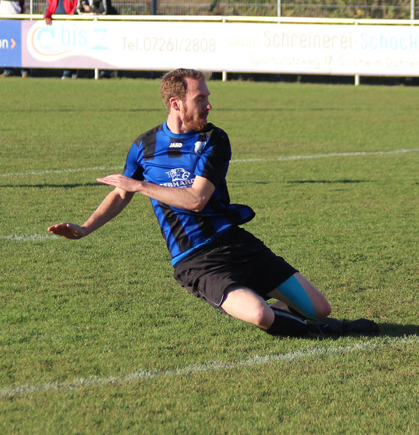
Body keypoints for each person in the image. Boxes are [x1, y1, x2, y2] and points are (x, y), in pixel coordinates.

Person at [48, 68, 379, 339]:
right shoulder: (144, 146)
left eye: (207, 97)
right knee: (261, 314)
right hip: (195, 261)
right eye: (200, 98)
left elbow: (196, 199)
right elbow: (121, 193)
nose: (208, 105)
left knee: (319, 307)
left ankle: (315, 322)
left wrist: (141, 185)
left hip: (234, 242)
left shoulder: (214, 139)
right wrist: (85, 228)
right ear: (176, 104)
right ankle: (322, 334)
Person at [44, 0, 80, 79]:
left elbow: (75, 7)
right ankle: (67, 70)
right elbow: (49, 4)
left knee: (68, 48)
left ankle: (68, 72)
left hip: (68, 23)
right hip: (56, 22)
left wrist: (69, 19)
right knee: (59, 48)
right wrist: (47, 16)